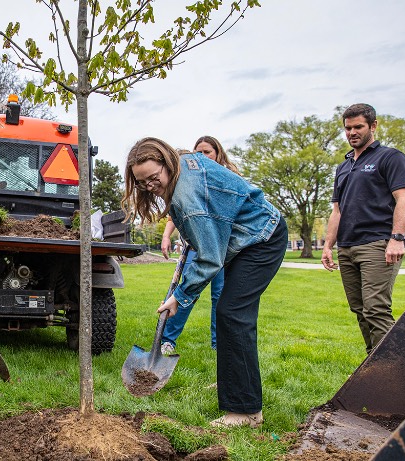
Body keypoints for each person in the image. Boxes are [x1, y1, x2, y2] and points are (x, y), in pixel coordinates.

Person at [122, 137, 287, 428]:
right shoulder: (182, 166)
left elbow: (211, 259)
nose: (149, 187)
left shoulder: (186, 198)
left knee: (233, 314)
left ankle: (246, 412)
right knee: (231, 315)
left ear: (166, 163)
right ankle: (234, 386)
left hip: (263, 238)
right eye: (141, 182)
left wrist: (181, 295)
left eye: (153, 178)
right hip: (244, 240)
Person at [321, 103, 405, 354]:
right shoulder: (343, 166)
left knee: (376, 309)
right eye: (348, 128)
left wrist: (397, 238)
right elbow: (337, 211)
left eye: (358, 127)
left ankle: (392, 374)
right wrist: (328, 246)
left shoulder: (390, 158)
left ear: (373, 126)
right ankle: (373, 368)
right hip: (347, 247)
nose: (352, 132)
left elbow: (404, 199)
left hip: (377, 244)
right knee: (360, 310)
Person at [159, 136, 240, 355]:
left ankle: (218, 343)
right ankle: (167, 339)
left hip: (223, 249)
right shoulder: (189, 177)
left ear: (218, 154)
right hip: (195, 247)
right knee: (186, 290)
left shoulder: (226, 177)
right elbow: (175, 213)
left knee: (220, 297)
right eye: (198, 152)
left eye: (207, 152)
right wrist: (167, 236)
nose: (202, 156)